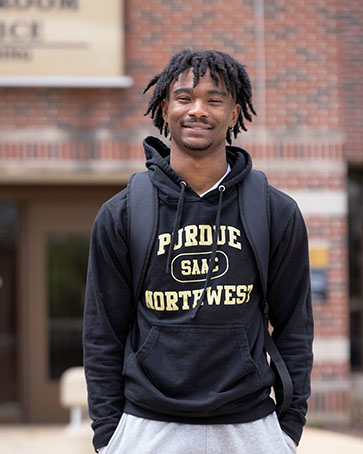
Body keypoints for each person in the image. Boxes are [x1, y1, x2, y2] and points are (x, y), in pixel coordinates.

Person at [83, 49, 314, 454]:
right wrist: (108, 435)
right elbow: (102, 333)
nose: (198, 110)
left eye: (214, 99)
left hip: (250, 426)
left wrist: (288, 428)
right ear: (165, 107)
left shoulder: (275, 212)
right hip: (147, 426)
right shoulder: (121, 214)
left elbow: (295, 325)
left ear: (235, 111)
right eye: (185, 97)